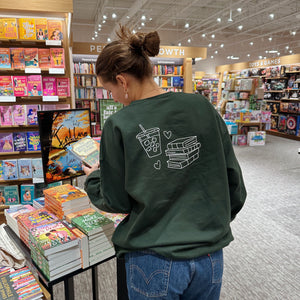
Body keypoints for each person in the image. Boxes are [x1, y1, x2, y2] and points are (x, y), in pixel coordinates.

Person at [83, 25, 246, 300]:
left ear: (122, 81)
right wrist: (207, 226)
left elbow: (116, 201)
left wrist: (93, 178)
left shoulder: (119, 124)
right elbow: (234, 184)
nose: (111, 97)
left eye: (109, 89)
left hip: (153, 257)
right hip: (210, 255)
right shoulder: (203, 107)